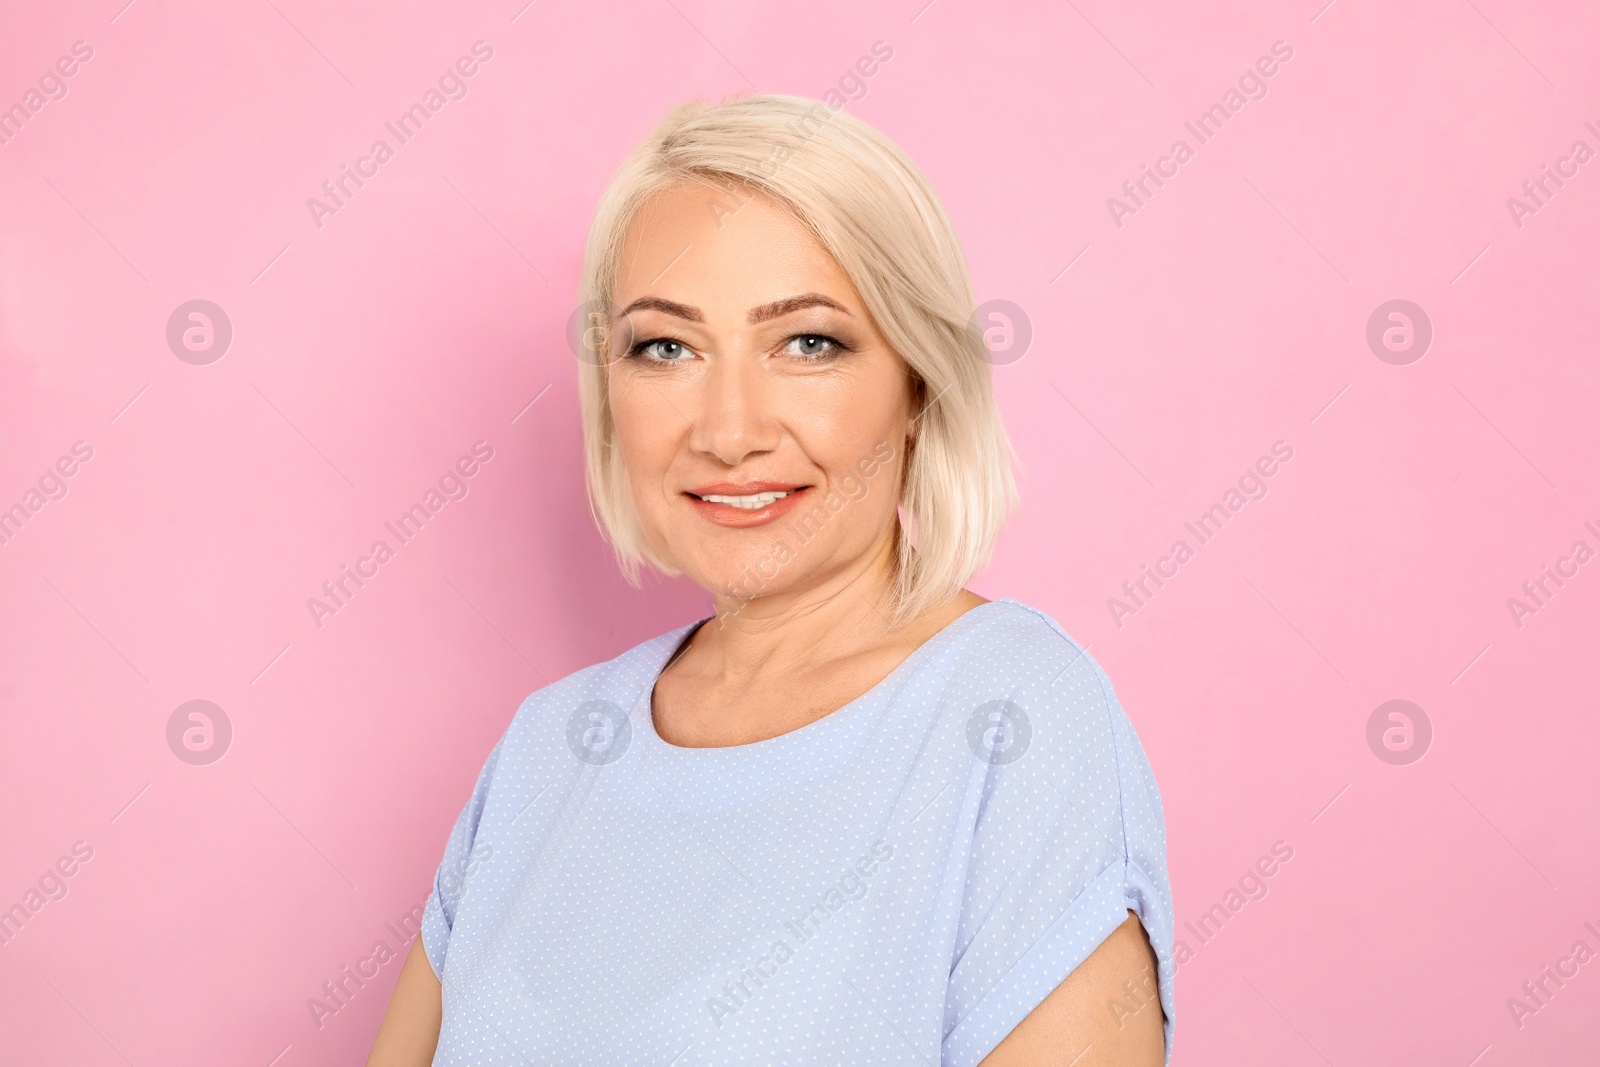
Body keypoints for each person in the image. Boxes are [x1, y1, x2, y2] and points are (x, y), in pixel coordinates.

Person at [368, 93, 1173, 1066]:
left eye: (808, 342)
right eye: (665, 346)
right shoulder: (548, 744)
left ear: (918, 380)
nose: (729, 428)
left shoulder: (1014, 718)